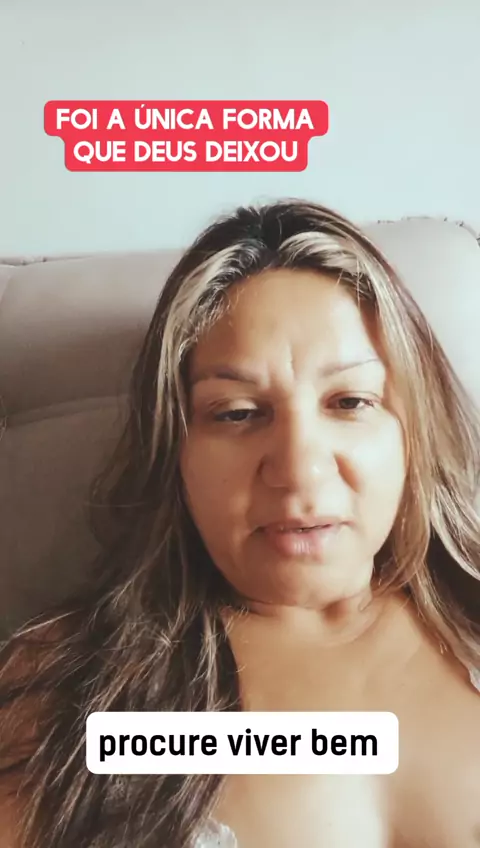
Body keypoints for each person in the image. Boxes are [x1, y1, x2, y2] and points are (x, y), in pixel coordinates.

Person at [0, 199, 479, 848]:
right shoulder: (61, 696)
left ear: (413, 430)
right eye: (236, 413)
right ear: (176, 450)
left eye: (349, 401)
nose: (298, 470)